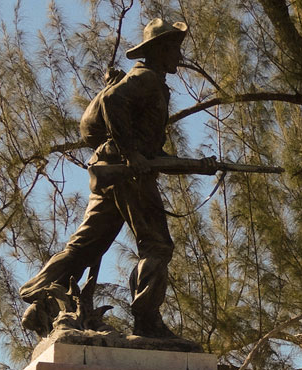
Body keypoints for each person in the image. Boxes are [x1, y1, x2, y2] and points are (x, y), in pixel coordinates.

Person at [20, 18, 188, 338]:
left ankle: (40, 297)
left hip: (112, 170)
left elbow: (149, 149)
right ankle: (147, 321)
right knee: (157, 246)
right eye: (174, 49)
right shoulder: (147, 78)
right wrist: (131, 155)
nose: (178, 56)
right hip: (127, 174)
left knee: (86, 245)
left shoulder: (149, 81)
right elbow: (113, 101)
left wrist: (192, 164)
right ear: (159, 50)